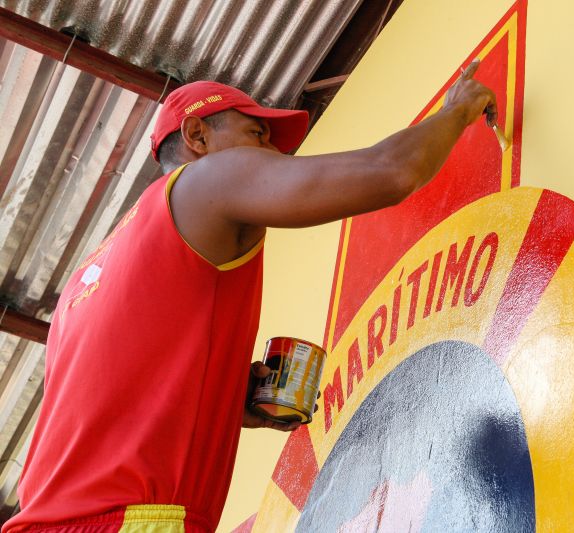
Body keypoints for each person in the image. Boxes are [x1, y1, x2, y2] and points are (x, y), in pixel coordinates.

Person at [2, 60, 496, 532]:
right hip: (127, 520)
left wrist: (220, 397)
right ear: (197, 136)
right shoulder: (207, 180)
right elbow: (390, 172)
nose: (271, 153)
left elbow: (109, 401)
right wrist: (457, 110)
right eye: (257, 134)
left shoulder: (83, 281)